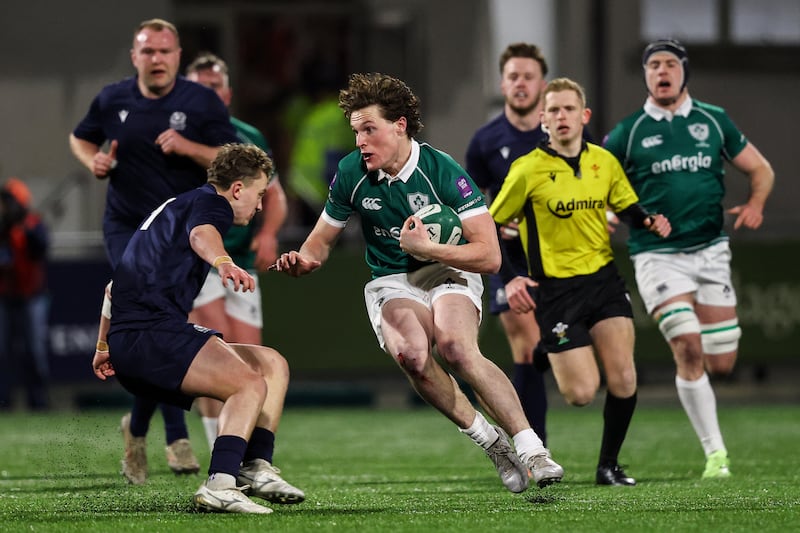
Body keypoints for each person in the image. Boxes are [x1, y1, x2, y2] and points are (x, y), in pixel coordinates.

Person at [274, 72, 564, 492]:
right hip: (392, 278)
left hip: (448, 267)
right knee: (411, 355)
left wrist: (430, 250)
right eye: (356, 131)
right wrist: (303, 260)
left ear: (400, 125)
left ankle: (532, 448)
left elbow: (489, 255)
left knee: (456, 349)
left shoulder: (441, 170)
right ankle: (490, 441)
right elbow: (319, 242)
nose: (360, 142)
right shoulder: (351, 172)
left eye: (369, 129)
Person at [69, 18, 240, 484]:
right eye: (148, 52)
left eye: (164, 51)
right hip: (128, 228)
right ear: (135, 56)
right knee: (155, 321)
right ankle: (176, 433)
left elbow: (231, 160)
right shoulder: (112, 98)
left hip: (179, 232)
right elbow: (81, 137)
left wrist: (187, 147)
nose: (157, 59)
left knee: (163, 330)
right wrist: (94, 160)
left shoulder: (199, 101)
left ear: (178, 55)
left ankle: (138, 427)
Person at [92, 143, 304, 514]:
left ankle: (253, 466)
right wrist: (224, 262)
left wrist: (102, 345)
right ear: (237, 188)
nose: (258, 207)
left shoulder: (177, 207)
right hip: (150, 335)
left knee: (271, 364)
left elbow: (113, 287)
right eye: (258, 196)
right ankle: (221, 482)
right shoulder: (212, 204)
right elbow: (201, 235)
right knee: (249, 383)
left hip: (133, 340)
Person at [603, 39, 775, 479]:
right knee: (688, 347)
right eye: (654, 65)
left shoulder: (713, 121)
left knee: (722, 362)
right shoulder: (629, 132)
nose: (662, 71)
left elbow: (761, 169)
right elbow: (600, 181)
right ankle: (716, 454)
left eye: (670, 64)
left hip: (711, 251)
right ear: (645, 75)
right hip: (657, 256)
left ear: (684, 72)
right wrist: (606, 216)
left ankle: (714, 437)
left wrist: (755, 204)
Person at [491, 78, 672, 486]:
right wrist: (512, 277)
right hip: (555, 290)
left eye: (569, 109)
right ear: (543, 119)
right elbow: (489, 227)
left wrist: (647, 219)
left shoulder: (603, 161)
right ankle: (543, 351)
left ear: (584, 115)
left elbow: (626, 206)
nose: (562, 116)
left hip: (604, 281)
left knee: (624, 376)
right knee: (581, 394)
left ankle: (608, 465)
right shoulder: (527, 170)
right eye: (553, 110)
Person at [185, 52, 289, 450]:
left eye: (213, 88)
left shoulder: (248, 136)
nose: (207, 95)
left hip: (242, 259)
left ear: (227, 93)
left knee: (254, 359)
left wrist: (269, 233)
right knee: (217, 353)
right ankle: (220, 448)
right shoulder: (171, 136)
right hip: (200, 259)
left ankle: (249, 455)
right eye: (197, 88)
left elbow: (274, 195)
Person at [465, 42, 551, 444]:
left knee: (579, 385)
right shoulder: (485, 141)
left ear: (542, 84)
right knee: (527, 345)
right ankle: (536, 447)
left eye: (528, 77)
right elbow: (467, 204)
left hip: (562, 257)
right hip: (509, 260)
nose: (520, 83)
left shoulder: (563, 133)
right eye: (513, 76)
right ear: (502, 83)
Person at [0, 178, 50, 411]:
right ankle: (4, 401)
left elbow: (41, 248)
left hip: (32, 296)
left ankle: (38, 402)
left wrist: (23, 229)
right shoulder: (3, 228)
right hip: (5, 296)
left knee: (34, 351)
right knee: (2, 350)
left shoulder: (33, 224)